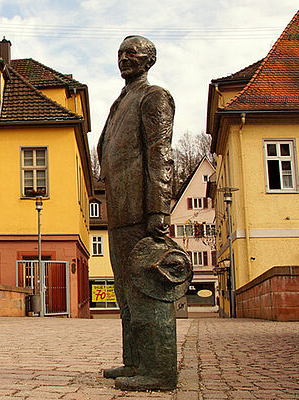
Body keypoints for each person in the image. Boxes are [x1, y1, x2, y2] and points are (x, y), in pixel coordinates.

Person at [97, 35, 190, 391]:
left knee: (148, 288)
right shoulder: (120, 102)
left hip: (140, 208)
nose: (124, 58)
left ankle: (160, 370)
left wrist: (158, 209)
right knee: (125, 291)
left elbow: (159, 154)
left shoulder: (154, 97)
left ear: (149, 60)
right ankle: (135, 361)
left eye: (132, 53)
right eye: (120, 52)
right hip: (119, 211)